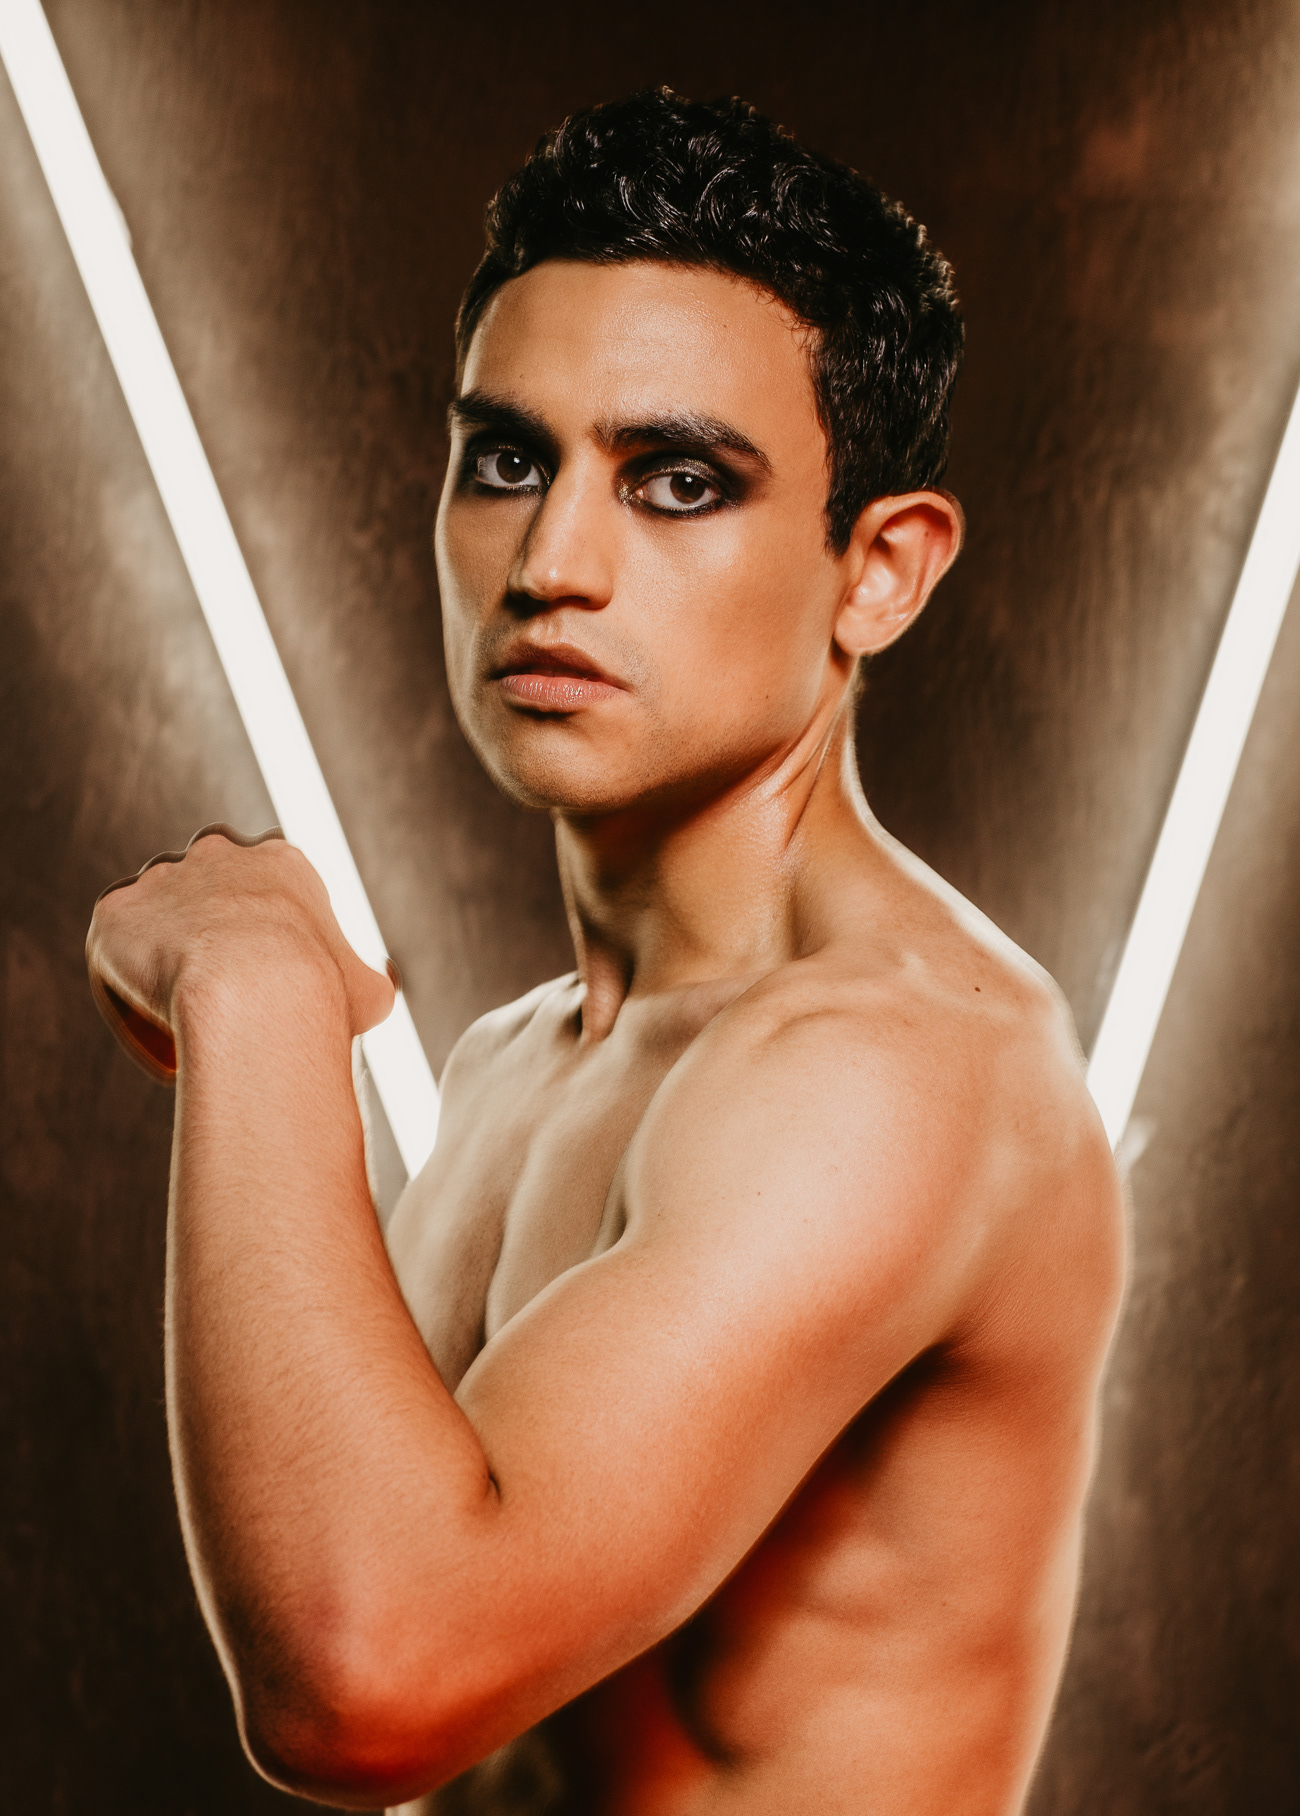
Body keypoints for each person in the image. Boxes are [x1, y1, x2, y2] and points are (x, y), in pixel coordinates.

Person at [86, 89, 1123, 1816]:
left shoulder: (896, 1067)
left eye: (678, 481)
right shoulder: (515, 1056)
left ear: (881, 571)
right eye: (509, 461)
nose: (552, 564)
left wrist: (254, 984)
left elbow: (366, 1676)